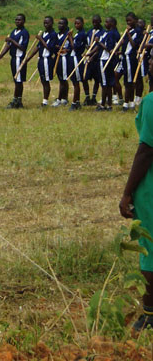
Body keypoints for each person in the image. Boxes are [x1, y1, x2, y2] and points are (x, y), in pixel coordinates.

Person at [119, 56, 153, 332]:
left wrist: (127, 192)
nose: (149, 64)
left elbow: (146, 151)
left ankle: (150, 313)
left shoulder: (151, 102)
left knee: (149, 249)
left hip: (150, 187)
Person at [0, 13, 30, 109]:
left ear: (24, 21)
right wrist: (1, 55)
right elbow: (8, 45)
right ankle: (18, 101)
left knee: (19, 80)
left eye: (19, 20)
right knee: (16, 80)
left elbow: (22, 47)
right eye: (16, 20)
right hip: (13, 59)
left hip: (20, 59)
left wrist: (11, 40)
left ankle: (16, 100)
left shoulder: (25, 33)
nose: (17, 21)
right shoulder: (14, 31)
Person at [25, 16, 58, 107]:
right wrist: (28, 58)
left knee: (46, 80)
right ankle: (44, 100)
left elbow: (50, 48)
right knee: (43, 79)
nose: (45, 24)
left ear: (52, 23)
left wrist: (41, 39)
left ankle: (45, 101)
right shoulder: (44, 33)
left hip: (47, 59)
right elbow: (38, 47)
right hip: (41, 59)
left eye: (47, 22)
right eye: (44, 23)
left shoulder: (53, 34)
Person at [95, 16, 120, 111]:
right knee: (108, 84)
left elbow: (109, 49)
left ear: (112, 24)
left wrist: (99, 42)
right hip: (106, 60)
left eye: (107, 22)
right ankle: (108, 104)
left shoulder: (111, 34)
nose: (105, 24)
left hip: (105, 60)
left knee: (105, 84)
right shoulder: (110, 33)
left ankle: (103, 104)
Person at [121, 13, 144, 112]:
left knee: (129, 82)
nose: (128, 23)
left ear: (135, 20)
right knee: (126, 81)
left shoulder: (138, 32)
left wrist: (128, 34)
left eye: (130, 21)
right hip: (125, 58)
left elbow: (134, 45)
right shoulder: (130, 31)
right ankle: (130, 102)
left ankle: (126, 104)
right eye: (127, 21)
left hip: (131, 58)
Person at [67, 16, 87, 111]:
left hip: (76, 59)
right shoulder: (78, 34)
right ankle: (77, 101)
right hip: (72, 58)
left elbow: (75, 47)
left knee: (76, 82)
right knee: (74, 81)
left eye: (78, 23)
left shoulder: (82, 34)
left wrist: (70, 38)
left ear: (82, 23)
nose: (76, 25)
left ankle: (75, 102)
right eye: (75, 23)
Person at [83, 15, 104, 105]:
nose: (94, 24)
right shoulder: (90, 32)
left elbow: (99, 47)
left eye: (96, 22)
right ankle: (87, 97)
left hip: (97, 58)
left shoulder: (103, 32)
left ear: (100, 21)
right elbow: (86, 43)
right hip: (89, 58)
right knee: (84, 77)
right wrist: (87, 48)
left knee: (97, 79)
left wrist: (92, 55)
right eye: (93, 22)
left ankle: (94, 97)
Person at [52, 17, 70, 107]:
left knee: (64, 79)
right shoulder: (57, 35)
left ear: (66, 25)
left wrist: (64, 49)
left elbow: (70, 47)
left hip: (64, 59)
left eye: (62, 24)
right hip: (57, 58)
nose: (59, 25)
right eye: (59, 23)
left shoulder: (68, 35)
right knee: (60, 78)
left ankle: (60, 99)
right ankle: (64, 98)